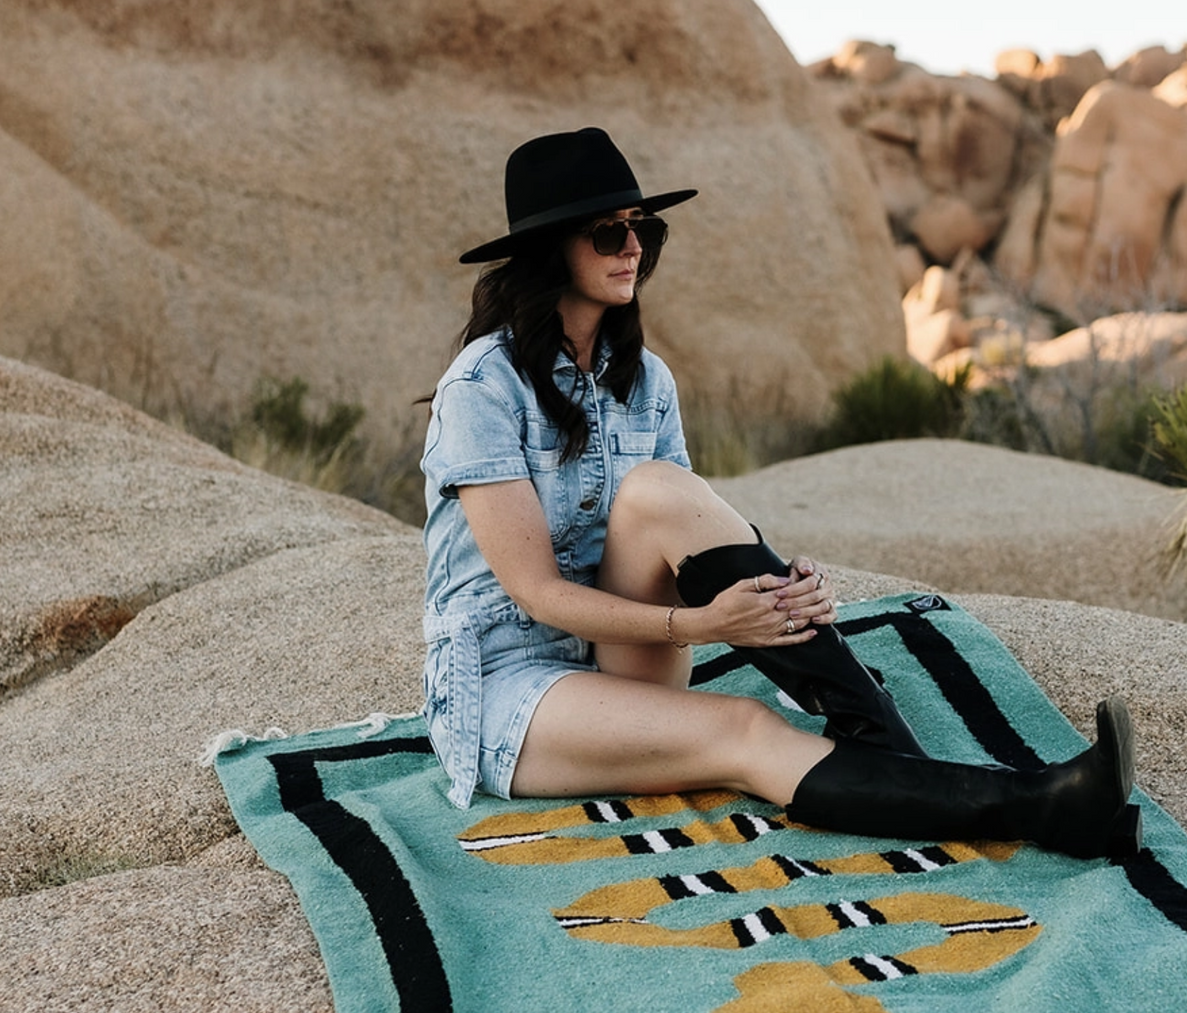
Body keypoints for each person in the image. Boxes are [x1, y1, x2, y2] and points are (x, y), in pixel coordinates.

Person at [421, 128, 1141, 859]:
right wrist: (701, 625)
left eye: (644, 231)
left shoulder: (644, 380)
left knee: (656, 489)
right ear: (551, 253)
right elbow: (538, 594)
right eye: (609, 234)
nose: (632, 249)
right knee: (743, 730)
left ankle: (874, 734)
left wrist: (782, 587)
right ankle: (1040, 805)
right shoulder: (482, 387)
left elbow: (688, 527)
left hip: (618, 648)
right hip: (509, 687)